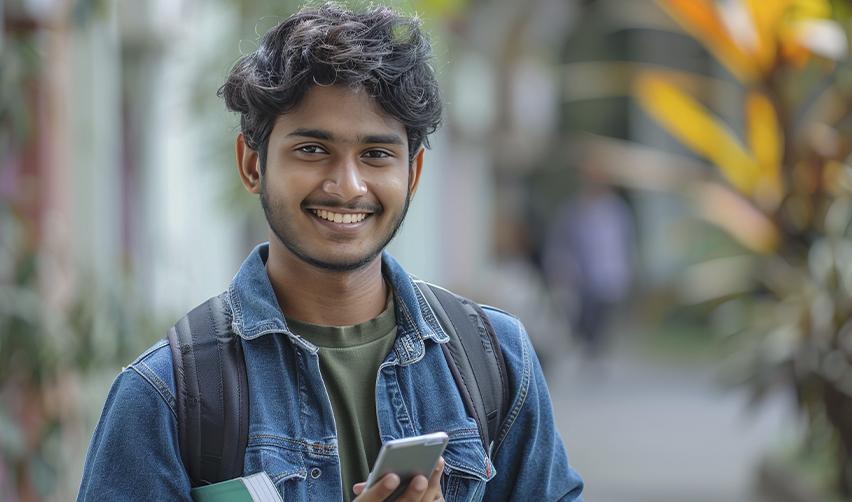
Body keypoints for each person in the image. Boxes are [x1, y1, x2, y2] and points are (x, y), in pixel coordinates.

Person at [77, 3, 583, 501]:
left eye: (376, 154)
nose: (347, 186)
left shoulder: (496, 359)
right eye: (312, 149)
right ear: (252, 164)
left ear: (413, 173)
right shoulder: (167, 395)